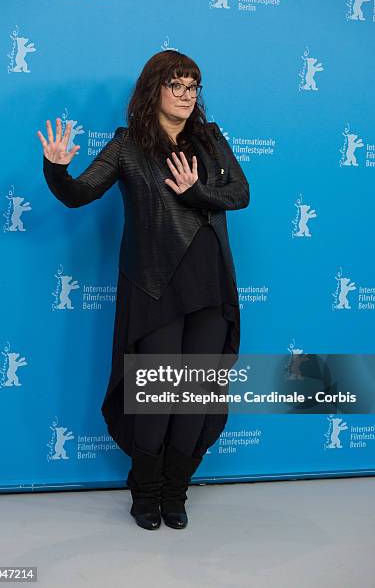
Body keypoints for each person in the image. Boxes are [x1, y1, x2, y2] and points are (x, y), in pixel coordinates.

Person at [37, 50, 250, 531]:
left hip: (211, 286)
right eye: (177, 85)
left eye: (193, 86)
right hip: (154, 287)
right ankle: (146, 492)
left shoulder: (210, 141)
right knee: (154, 400)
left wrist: (195, 192)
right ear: (153, 89)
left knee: (195, 399)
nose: (187, 95)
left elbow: (240, 194)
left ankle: (176, 492)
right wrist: (56, 170)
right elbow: (79, 194)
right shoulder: (128, 145)